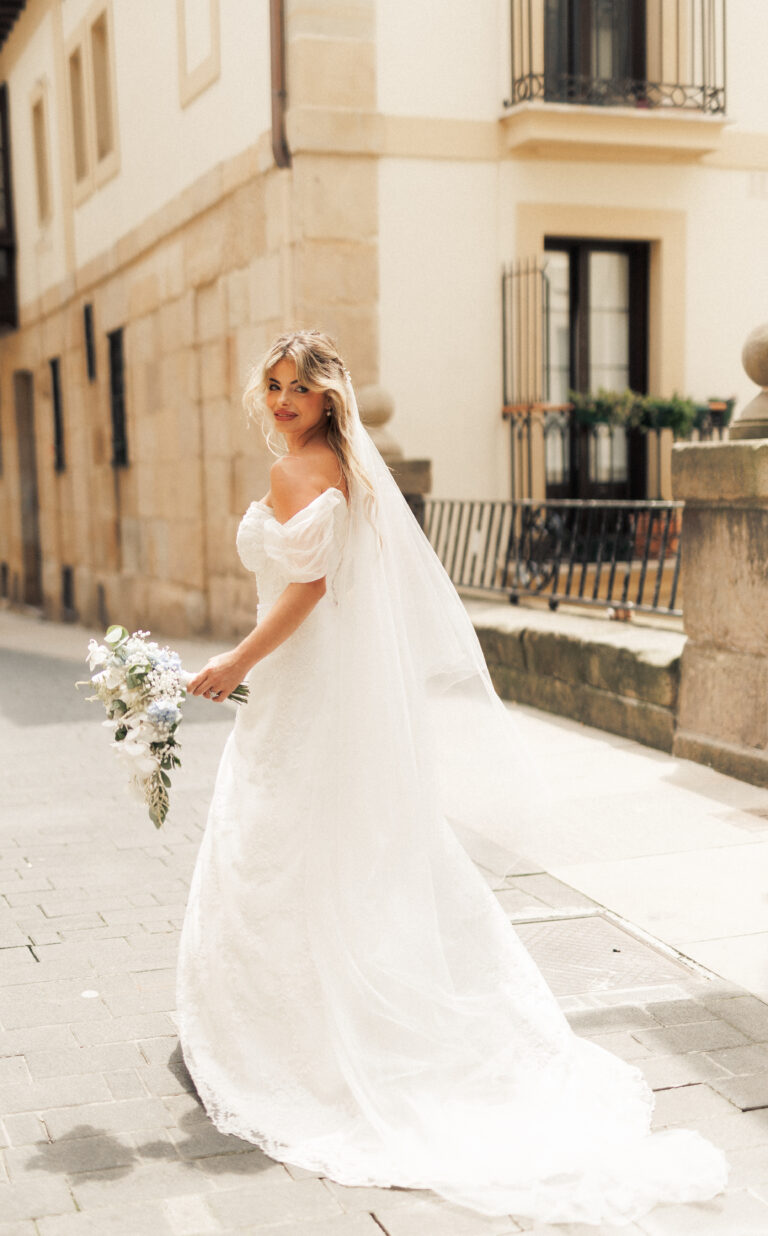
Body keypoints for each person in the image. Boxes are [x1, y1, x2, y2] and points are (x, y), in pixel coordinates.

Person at [178, 329, 728, 1227]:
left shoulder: (296, 474)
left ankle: (289, 1038)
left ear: (326, 399)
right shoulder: (351, 472)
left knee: (279, 839)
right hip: (327, 684)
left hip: (295, 680)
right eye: (272, 386)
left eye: (296, 389)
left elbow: (306, 590)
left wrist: (236, 660)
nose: (280, 401)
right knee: (341, 842)